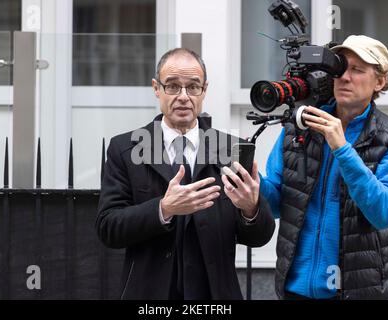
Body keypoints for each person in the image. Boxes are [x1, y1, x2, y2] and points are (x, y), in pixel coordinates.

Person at [96, 48, 275, 300]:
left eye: (193, 87)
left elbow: (260, 237)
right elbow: (108, 227)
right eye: (172, 86)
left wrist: (250, 209)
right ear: (156, 88)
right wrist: (163, 209)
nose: (183, 96)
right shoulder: (125, 149)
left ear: (204, 90)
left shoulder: (231, 150)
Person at [258, 35, 388, 300]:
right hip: (295, 289)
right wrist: (251, 184)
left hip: (359, 291)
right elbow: (276, 205)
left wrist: (342, 149)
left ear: (380, 81)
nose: (344, 77)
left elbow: (384, 213)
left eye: (357, 70)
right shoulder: (299, 126)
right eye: (339, 68)